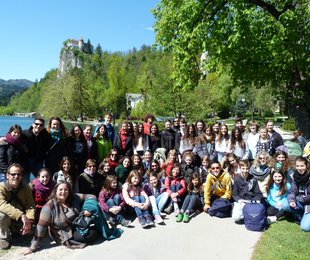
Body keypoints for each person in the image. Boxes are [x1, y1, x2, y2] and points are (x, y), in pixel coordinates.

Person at [23, 181, 122, 255]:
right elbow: (41, 228)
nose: (63, 192)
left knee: (94, 213)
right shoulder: (48, 207)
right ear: (55, 191)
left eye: (66, 189)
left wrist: (87, 209)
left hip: (78, 225)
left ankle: (102, 228)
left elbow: (91, 196)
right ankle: (101, 230)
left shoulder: (73, 197)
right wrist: (32, 248)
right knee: (92, 234)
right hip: (65, 232)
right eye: (60, 190)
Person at [0, 163, 35, 250]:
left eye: (19, 174)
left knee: (33, 232)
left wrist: (29, 220)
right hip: (10, 216)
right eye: (13, 174)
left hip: (19, 217)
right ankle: (3, 238)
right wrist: (21, 215)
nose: (16, 176)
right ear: (7, 175)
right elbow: (2, 205)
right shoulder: (1, 188)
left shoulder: (26, 188)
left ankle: (15, 229)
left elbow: (30, 205)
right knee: (3, 215)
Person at [23, 117, 50, 182]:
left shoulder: (45, 135)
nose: (38, 126)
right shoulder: (25, 134)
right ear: (33, 124)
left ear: (43, 127)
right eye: (36, 124)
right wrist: (2, 138)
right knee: (25, 182)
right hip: (27, 162)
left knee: (41, 181)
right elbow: (13, 135)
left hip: (39, 162)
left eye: (41, 125)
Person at [288, 157, 310, 231]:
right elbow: (293, 191)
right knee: (286, 204)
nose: (299, 168)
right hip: (300, 201)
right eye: (297, 166)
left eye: (302, 166)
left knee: (305, 227)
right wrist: (291, 200)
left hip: (308, 204)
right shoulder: (295, 176)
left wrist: (300, 199)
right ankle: (301, 215)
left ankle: (303, 216)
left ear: (306, 165)